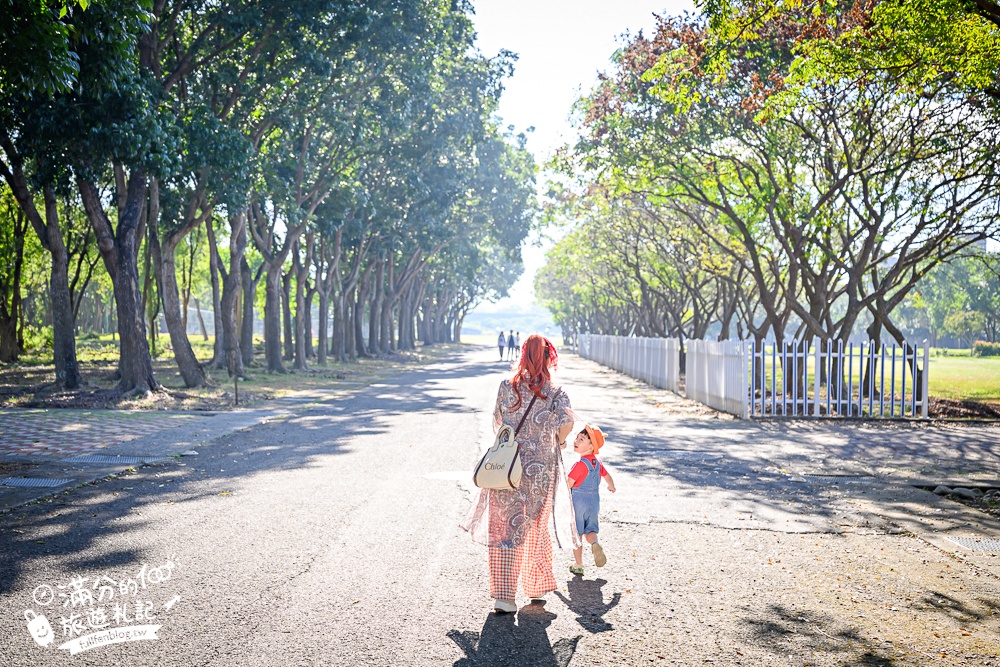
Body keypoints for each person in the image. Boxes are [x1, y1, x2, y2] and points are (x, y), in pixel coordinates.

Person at [461, 334, 579, 613]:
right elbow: (567, 423)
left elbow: (497, 424)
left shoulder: (506, 387)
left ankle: (504, 597)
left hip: (506, 468)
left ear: (523, 356)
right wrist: (557, 441)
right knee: (535, 527)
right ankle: (535, 588)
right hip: (540, 470)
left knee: (504, 528)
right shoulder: (556, 391)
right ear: (550, 358)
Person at [566, 424, 615, 575]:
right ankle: (595, 543)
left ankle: (579, 564)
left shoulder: (580, 465)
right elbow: (607, 476)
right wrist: (611, 486)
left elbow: (569, 483)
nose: (576, 441)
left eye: (581, 439)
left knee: (577, 533)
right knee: (591, 530)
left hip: (578, 501)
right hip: (594, 502)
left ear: (591, 447)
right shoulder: (598, 463)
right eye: (577, 438)